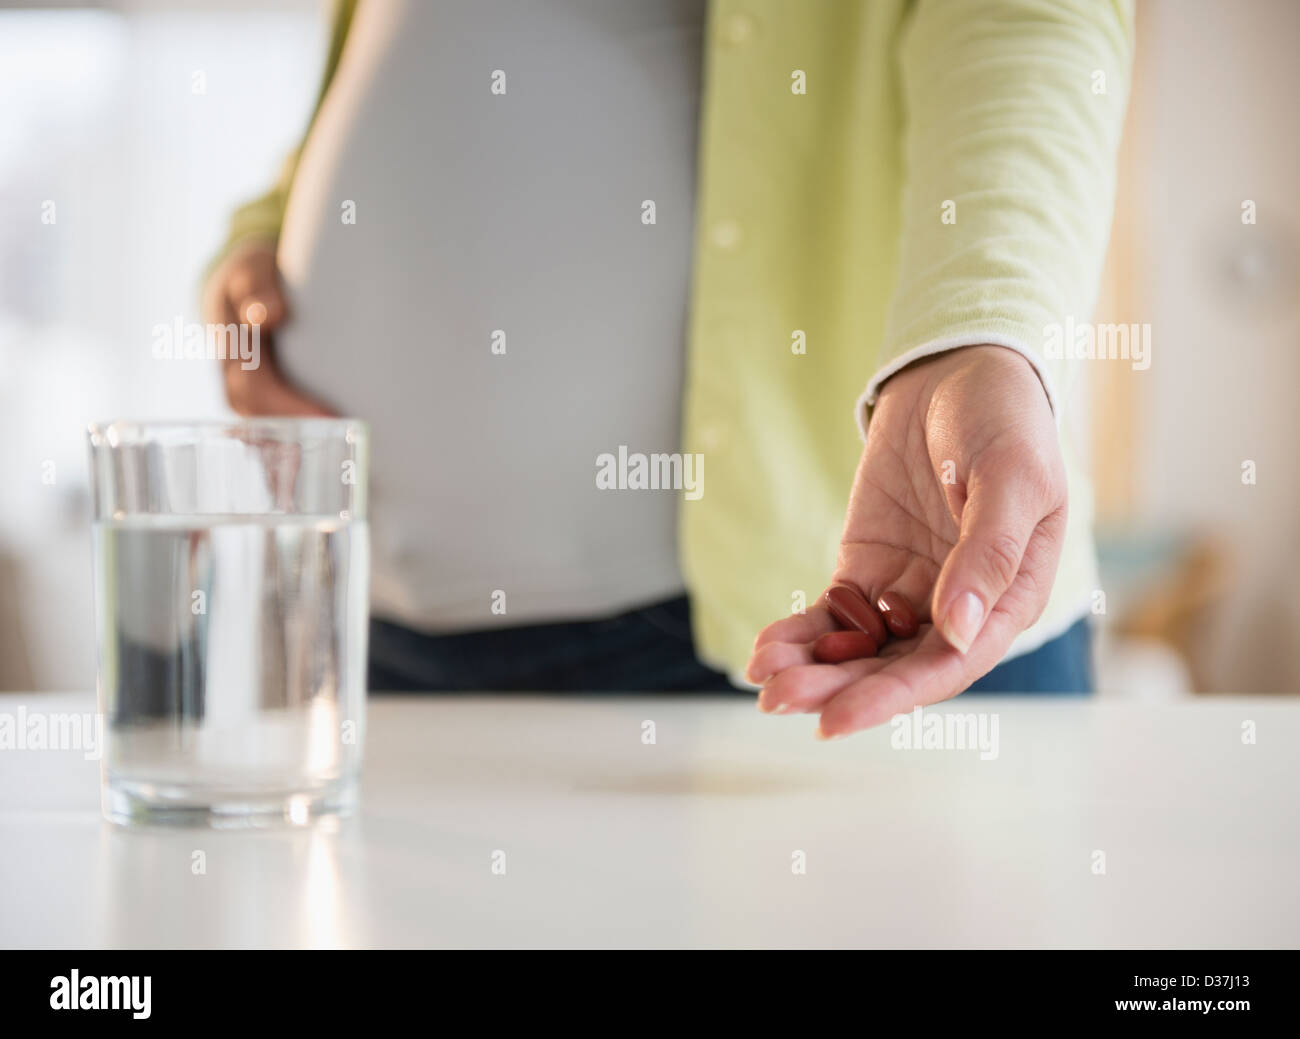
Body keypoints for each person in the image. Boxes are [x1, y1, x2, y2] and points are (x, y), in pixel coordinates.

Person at [203, 0, 1132, 736]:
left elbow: (1027, 18)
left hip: (760, 643)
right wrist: (261, 243)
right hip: (378, 632)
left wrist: (980, 328)